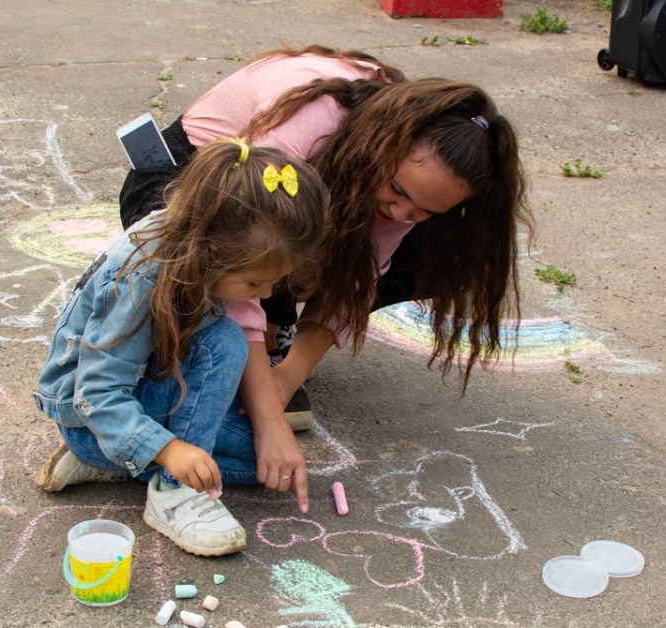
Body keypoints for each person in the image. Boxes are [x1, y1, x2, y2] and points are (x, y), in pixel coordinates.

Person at [118, 45, 534, 517]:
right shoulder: (307, 129)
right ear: (383, 144)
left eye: (424, 209)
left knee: (434, 250)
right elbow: (241, 257)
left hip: (293, 198)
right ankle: (206, 360)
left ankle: (269, 348)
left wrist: (288, 375)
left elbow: (357, 279)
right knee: (226, 264)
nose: (402, 212)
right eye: (398, 191)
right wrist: (269, 420)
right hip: (188, 177)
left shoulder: (402, 178)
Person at [32, 138, 329, 557]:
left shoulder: (197, 236)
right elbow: (95, 393)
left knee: (269, 465)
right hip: (91, 419)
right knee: (225, 342)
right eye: (254, 283)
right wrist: (170, 451)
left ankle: (120, 460)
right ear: (212, 251)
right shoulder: (140, 279)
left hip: (143, 390)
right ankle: (172, 492)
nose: (264, 295)